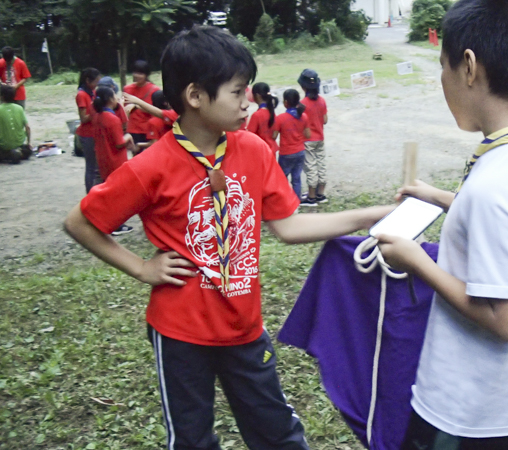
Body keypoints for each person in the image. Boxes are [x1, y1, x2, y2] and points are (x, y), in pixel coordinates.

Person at [63, 25, 392, 450]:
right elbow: (80, 222)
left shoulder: (253, 150)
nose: (248, 102)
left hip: (244, 326)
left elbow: (290, 226)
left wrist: (374, 214)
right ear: (196, 96)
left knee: (279, 434)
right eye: (237, 93)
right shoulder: (151, 165)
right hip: (180, 334)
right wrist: (142, 268)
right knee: (192, 440)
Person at [376, 0, 508, 448]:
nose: (443, 82)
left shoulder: (496, 187)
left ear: (469, 66)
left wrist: (414, 257)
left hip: (467, 410)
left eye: (443, 67)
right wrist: (441, 198)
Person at [91, 86, 135, 236]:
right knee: (118, 194)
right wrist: (129, 137)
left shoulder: (97, 116)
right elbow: (119, 142)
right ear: (110, 99)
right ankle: (117, 225)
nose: (117, 99)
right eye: (115, 97)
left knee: (109, 192)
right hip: (115, 160)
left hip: (103, 159)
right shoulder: (112, 119)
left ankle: (105, 221)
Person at [273, 89, 311, 200]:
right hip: (300, 151)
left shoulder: (280, 118)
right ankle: (296, 200)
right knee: (297, 178)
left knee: (282, 178)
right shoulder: (303, 116)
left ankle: (284, 200)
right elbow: (308, 135)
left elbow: (274, 136)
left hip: (286, 153)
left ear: (285, 102)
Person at [298, 69, 328, 206]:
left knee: (310, 167)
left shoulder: (302, 103)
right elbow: (325, 120)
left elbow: (299, 122)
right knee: (321, 164)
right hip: (320, 138)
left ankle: (311, 197)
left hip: (308, 140)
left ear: (303, 87)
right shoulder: (322, 101)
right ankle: (320, 194)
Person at [75, 67, 101, 193]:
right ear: (88, 81)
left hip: (95, 133)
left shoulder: (92, 92)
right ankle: (90, 193)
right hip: (87, 134)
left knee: (97, 167)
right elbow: (84, 118)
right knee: (91, 167)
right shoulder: (82, 95)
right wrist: (97, 111)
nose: (97, 84)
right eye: (96, 81)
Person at [123, 60, 160, 146]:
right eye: (135, 72)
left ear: (146, 75)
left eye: (140, 73)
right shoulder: (127, 89)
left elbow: (158, 111)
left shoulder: (154, 90)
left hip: (149, 129)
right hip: (132, 129)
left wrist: (136, 106)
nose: (137, 75)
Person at [0, 85, 31, 164]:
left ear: (2, 97)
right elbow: (27, 127)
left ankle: (9, 154)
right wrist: (29, 142)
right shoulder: (19, 108)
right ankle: (20, 151)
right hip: (19, 142)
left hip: (4, 145)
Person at [247, 82, 279, 155]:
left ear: (257, 96)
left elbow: (250, 136)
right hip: (272, 150)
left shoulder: (256, 115)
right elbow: (275, 134)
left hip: (261, 152)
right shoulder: (272, 112)